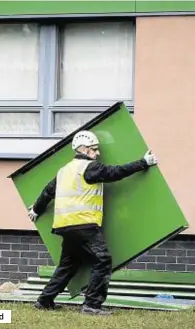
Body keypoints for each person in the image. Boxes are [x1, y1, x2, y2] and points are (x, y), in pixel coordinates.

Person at [27, 130, 158, 315]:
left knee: (68, 265)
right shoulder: (89, 168)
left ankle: (44, 301)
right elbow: (116, 172)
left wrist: (36, 210)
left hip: (65, 226)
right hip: (84, 225)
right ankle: (91, 306)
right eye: (94, 149)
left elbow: (48, 191)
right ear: (83, 149)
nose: (97, 153)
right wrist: (143, 163)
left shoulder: (64, 171)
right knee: (103, 261)